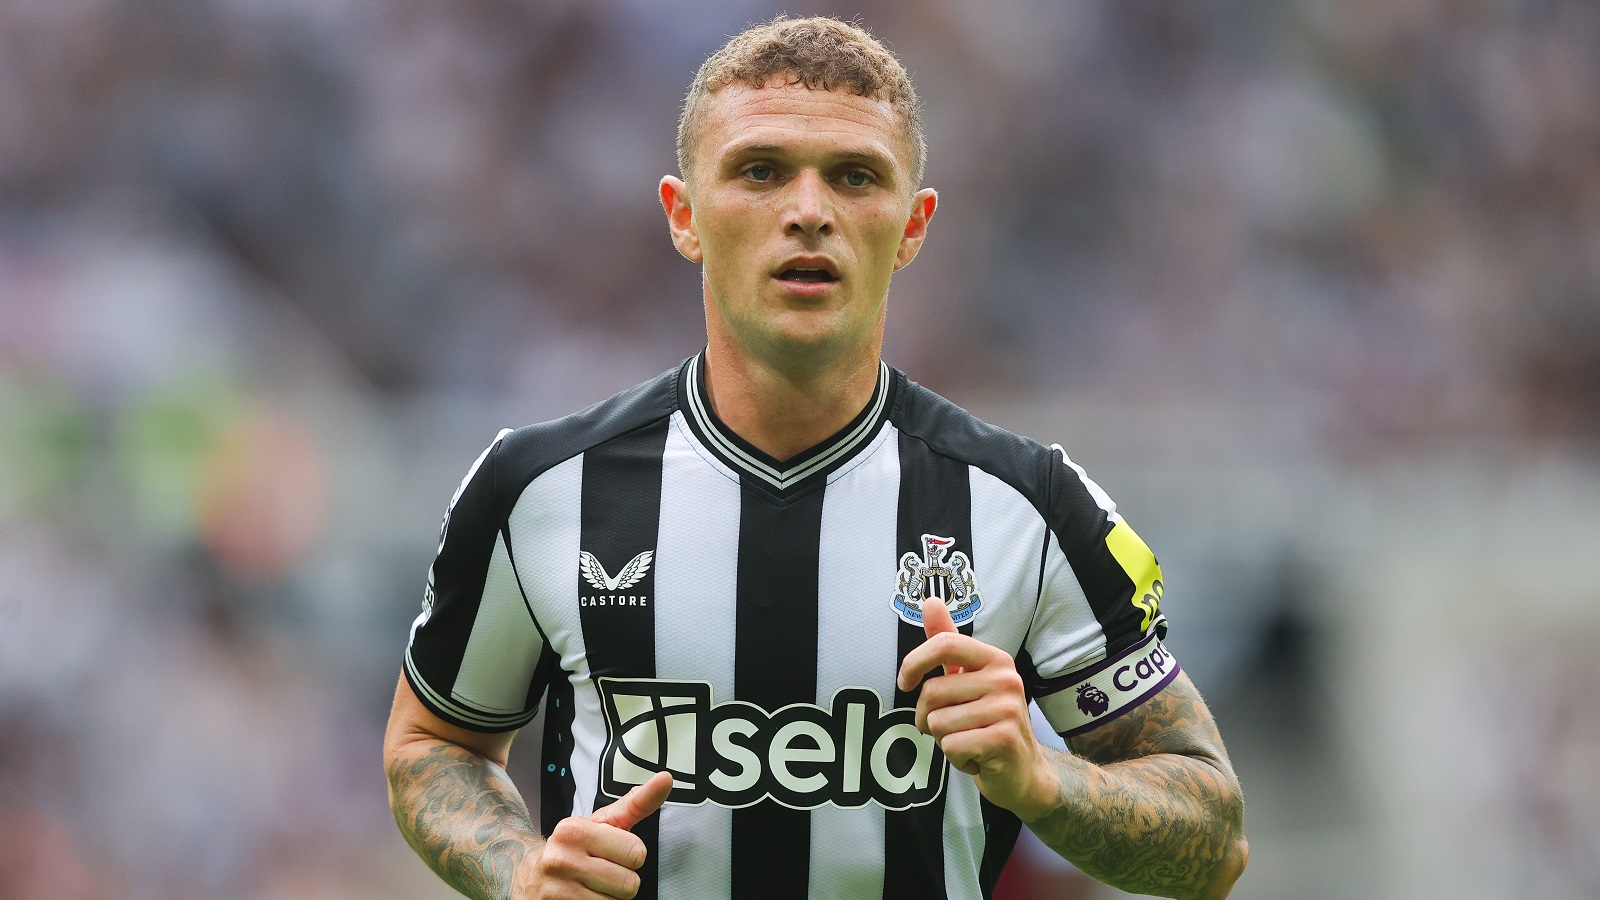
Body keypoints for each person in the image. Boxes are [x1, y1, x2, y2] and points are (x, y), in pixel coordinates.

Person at [382, 15, 1247, 900]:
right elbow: (433, 742)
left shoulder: (1030, 505)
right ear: (684, 215)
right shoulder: (538, 489)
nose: (807, 211)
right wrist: (516, 872)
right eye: (760, 171)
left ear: (912, 226)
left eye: (855, 177)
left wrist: (1040, 777)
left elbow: (1214, 843)